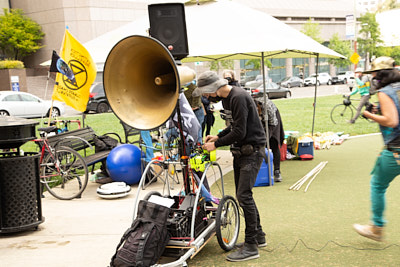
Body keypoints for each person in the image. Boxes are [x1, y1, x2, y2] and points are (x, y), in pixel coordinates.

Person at [194, 71, 267, 262]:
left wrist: (216, 144)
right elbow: (235, 126)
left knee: (244, 196)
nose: (207, 97)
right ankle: (258, 236)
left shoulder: (239, 97)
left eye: (207, 93)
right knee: (244, 196)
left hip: (251, 151)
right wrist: (218, 135)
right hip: (242, 151)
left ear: (212, 88)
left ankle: (251, 246)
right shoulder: (228, 98)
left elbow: (241, 131)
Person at [353, 56, 400, 242]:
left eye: (373, 73)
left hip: (396, 148)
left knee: (378, 184)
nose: (372, 77)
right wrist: (377, 110)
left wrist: (367, 114)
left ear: (380, 74)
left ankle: (376, 227)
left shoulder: (385, 91)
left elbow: (392, 120)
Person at [253, 96, 285, 182]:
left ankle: (277, 171)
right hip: (260, 122)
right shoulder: (250, 109)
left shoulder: (267, 106)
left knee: (273, 142)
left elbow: (273, 123)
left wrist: (266, 137)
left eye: (257, 110)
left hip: (273, 121)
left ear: (258, 107)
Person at [183, 79, 205, 144]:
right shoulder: (182, 88)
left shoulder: (195, 89)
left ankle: (198, 146)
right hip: (189, 111)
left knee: (197, 130)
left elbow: (196, 105)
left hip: (196, 112)